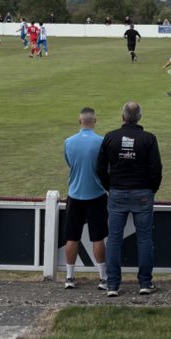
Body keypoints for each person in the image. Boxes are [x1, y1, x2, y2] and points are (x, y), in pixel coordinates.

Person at [97, 101, 162, 296]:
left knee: (115, 239)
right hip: (141, 192)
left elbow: (100, 168)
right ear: (139, 117)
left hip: (118, 191)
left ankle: (113, 285)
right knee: (144, 239)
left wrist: (110, 186)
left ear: (123, 116)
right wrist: (151, 189)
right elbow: (156, 169)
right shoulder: (148, 138)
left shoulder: (111, 137)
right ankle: (144, 282)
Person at [62, 107, 108, 290]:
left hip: (75, 194)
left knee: (72, 237)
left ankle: (69, 277)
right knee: (98, 238)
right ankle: (103, 278)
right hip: (96, 194)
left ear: (79, 121)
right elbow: (104, 166)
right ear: (94, 122)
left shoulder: (68, 142)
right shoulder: (102, 141)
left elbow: (69, 163)